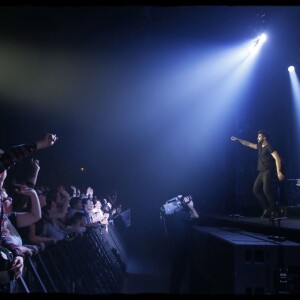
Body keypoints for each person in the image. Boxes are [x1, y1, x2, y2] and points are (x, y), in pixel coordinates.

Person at [231, 130, 285, 218]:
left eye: (259, 136)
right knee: (255, 190)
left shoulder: (269, 147)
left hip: (268, 171)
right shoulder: (259, 146)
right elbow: (248, 144)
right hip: (261, 171)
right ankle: (266, 209)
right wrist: (238, 139)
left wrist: (279, 171)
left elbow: (277, 158)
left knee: (266, 189)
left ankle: (273, 211)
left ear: (264, 137)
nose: (257, 138)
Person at [162, 195, 199, 293]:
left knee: (176, 273)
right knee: (180, 272)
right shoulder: (180, 214)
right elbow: (196, 216)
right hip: (182, 249)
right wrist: (191, 206)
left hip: (177, 247)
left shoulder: (173, 216)